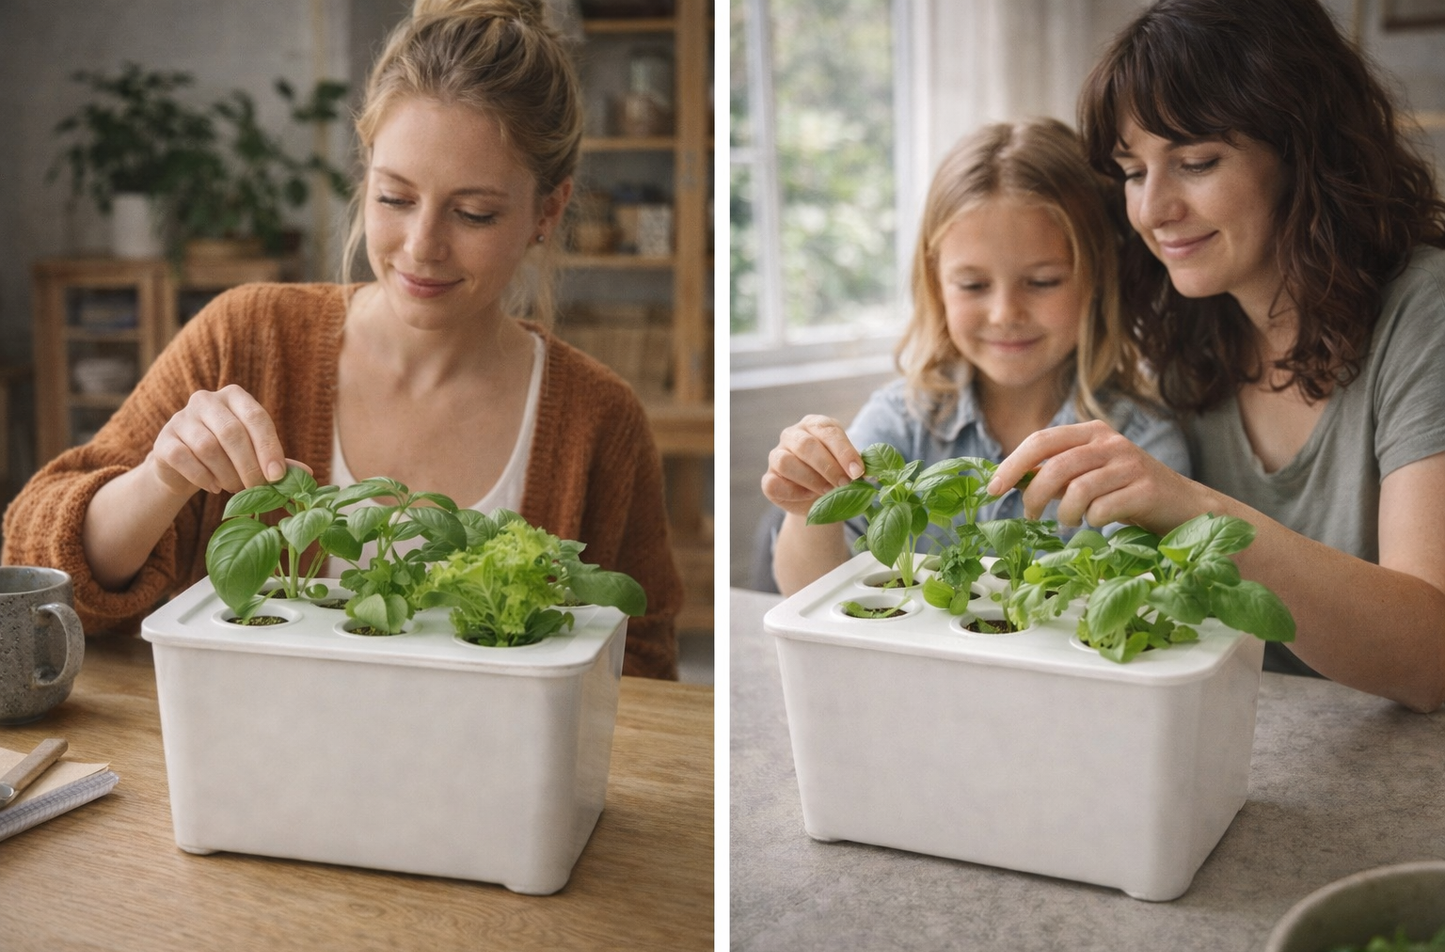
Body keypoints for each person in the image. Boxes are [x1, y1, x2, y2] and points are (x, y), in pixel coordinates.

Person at [1, 0, 684, 680]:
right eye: (394, 197)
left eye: (474, 212)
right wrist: (162, 477)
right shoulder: (246, 336)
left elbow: (644, 672)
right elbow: (32, 562)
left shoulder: (600, 419)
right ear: (365, 173)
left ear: (548, 210)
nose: (422, 247)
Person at [984, 0, 1445, 711]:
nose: (1151, 209)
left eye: (1194, 162)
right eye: (1133, 172)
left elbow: (1432, 657)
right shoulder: (1182, 327)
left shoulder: (1424, 310)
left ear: (1302, 152)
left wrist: (1191, 508)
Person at [761, 118, 1190, 595]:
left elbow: (1147, 604)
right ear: (936, 282)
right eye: (973, 285)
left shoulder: (1141, 444)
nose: (1006, 313)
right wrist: (809, 506)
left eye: (1042, 281)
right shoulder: (901, 422)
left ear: (1098, 276)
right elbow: (807, 592)